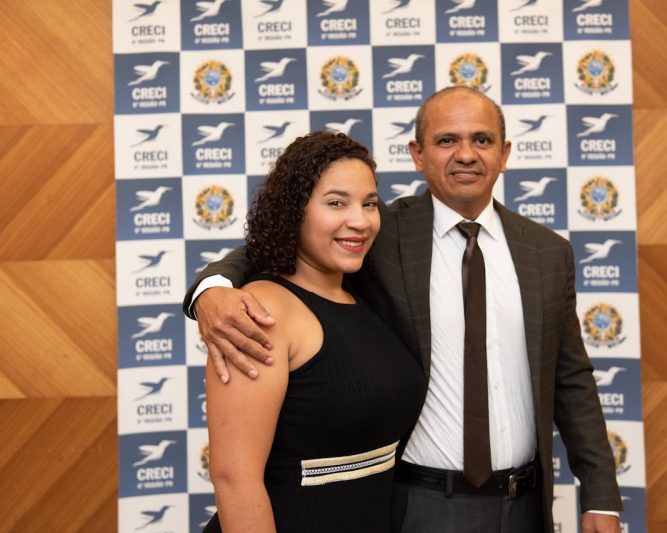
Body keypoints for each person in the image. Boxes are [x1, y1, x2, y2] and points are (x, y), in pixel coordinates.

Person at [187, 87, 623, 533]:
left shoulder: (548, 252)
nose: (466, 154)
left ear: (504, 153)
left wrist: (602, 496)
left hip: (524, 504)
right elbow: (276, 242)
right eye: (447, 140)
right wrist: (212, 290)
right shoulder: (378, 232)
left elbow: (571, 378)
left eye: (482, 139)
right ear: (417, 155)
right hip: (413, 504)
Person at [202, 131, 427, 532]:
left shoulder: (363, 298)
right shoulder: (262, 311)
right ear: (294, 212)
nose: (359, 221)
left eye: (369, 204)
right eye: (336, 202)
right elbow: (235, 480)